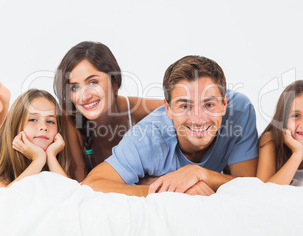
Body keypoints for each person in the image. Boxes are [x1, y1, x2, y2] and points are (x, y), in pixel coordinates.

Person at [82, 55, 259, 197]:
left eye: (209, 105)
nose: (198, 119)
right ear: (168, 109)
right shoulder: (146, 137)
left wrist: (199, 174)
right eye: (184, 106)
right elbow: (92, 184)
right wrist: (171, 190)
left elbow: (247, 184)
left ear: (224, 104)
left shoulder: (240, 111)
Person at [54, 41, 163, 181]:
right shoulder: (70, 119)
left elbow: (181, 110)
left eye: (93, 82)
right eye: (74, 87)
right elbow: (81, 186)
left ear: (115, 82)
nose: (85, 96)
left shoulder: (141, 110)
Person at [0, 73, 71, 190]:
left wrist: (51, 156)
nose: (43, 127)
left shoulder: (56, 152)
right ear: (16, 126)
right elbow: (8, 194)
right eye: (32, 119)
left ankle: (2, 104)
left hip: (2, 141)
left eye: (50, 121)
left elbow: (70, 191)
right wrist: (39, 159)